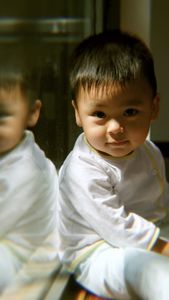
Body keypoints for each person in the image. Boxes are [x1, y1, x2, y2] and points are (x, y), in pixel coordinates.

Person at [59, 30, 169, 300]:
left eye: (130, 112)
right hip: (100, 251)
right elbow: (117, 227)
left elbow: (163, 197)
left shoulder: (148, 152)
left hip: (154, 230)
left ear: (154, 108)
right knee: (147, 270)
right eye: (99, 114)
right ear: (78, 113)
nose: (116, 128)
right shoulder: (81, 171)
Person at [0, 63, 59, 293]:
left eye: (2, 115)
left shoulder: (28, 170)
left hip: (20, 260)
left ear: (32, 113)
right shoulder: (9, 153)